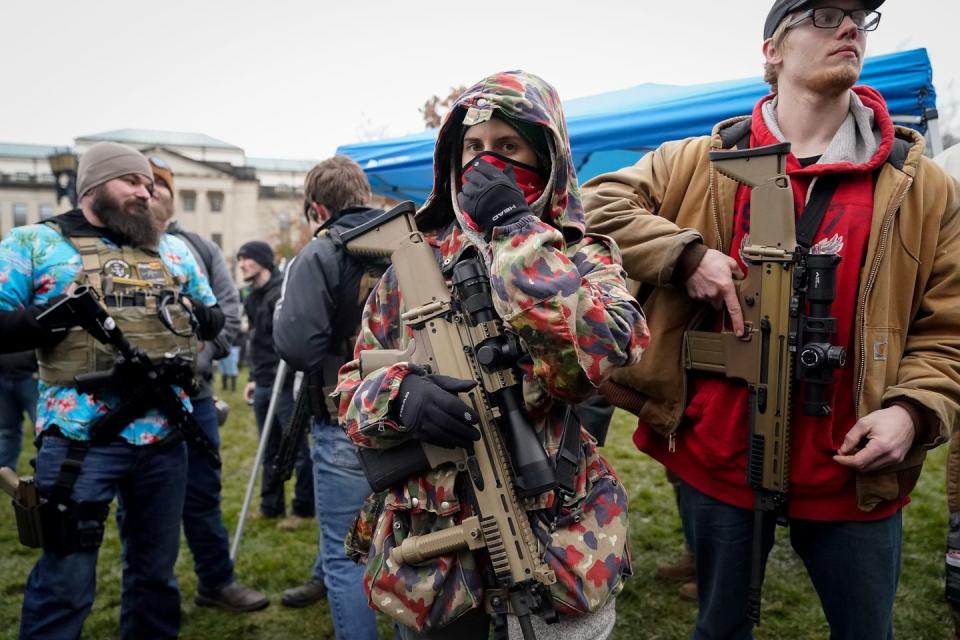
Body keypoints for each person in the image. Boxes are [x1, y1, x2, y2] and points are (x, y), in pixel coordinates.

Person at [582, 1, 960, 638]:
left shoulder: (923, 187)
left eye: (858, 19)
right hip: (719, 464)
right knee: (720, 629)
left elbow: (947, 328)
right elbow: (594, 206)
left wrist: (913, 409)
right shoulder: (696, 161)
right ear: (772, 51)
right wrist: (685, 254)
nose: (848, 28)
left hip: (853, 474)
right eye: (823, 13)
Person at [335, 70, 649, 639]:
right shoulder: (412, 262)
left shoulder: (581, 257)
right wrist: (399, 395)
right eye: (473, 149)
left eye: (509, 148)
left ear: (548, 156)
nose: (485, 164)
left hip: (556, 545)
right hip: (435, 565)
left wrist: (518, 236)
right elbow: (351, 391)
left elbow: (592, 362)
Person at [0, 141, 225, 639]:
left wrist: (191, 311)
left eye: (148, 184)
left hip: (165, 440)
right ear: (93, 187)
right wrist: (49, 320)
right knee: (65, 582)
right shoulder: (35, 244)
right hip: (80, 439)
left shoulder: (173, 249)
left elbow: (214, 318)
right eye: (131, 182)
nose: (145, 192)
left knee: (155, 577)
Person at [146, 158, 268, 612]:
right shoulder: (108, 247)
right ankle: (150, 602)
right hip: (132, 407)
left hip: (194, 398)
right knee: (142, 510)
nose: (148, 192)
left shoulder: (198, 247)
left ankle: (215, 582)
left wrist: (195, 359)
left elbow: (229, 314)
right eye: (139, 183)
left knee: (202, 495)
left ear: (171, 193)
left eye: (158, 184)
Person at [272, 155, 386, 637]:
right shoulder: (408, 239)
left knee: (346, 556)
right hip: (412, 411)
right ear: (362, 194)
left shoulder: (321, 252)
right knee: (405, 547)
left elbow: (297, 346)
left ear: (316, 207)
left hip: (344, 417)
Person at [238, 240, 313, 524]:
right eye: (240, 259)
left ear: (263, 261)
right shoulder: (251, 297)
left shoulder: (282, 293)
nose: (242, 264)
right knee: (267, 448)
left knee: (297, 448)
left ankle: (303, 509)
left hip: (286, 384)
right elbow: (256, 344)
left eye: (246, 258)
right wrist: (253, 378)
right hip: (264, 382)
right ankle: (271, 506)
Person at [0, 350, 38, 471]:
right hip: (3, 377)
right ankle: (4, 474)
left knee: (42, 430)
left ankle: (46, 472)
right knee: (7, 430)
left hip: (31, 376)